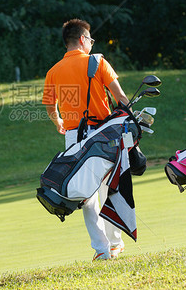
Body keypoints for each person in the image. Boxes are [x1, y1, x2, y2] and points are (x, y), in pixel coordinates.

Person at [42, 18, 130, 260]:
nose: (91, 43)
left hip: (74, 137)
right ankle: (115, 242)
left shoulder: (53, 71)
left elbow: (51, 107)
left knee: (86, 195)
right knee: (109, 187)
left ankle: (102, 250)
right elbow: (120, 97)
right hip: (103, 135)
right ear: (82, 39)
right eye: (90, 39)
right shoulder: (98, 61)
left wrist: (58, 121)